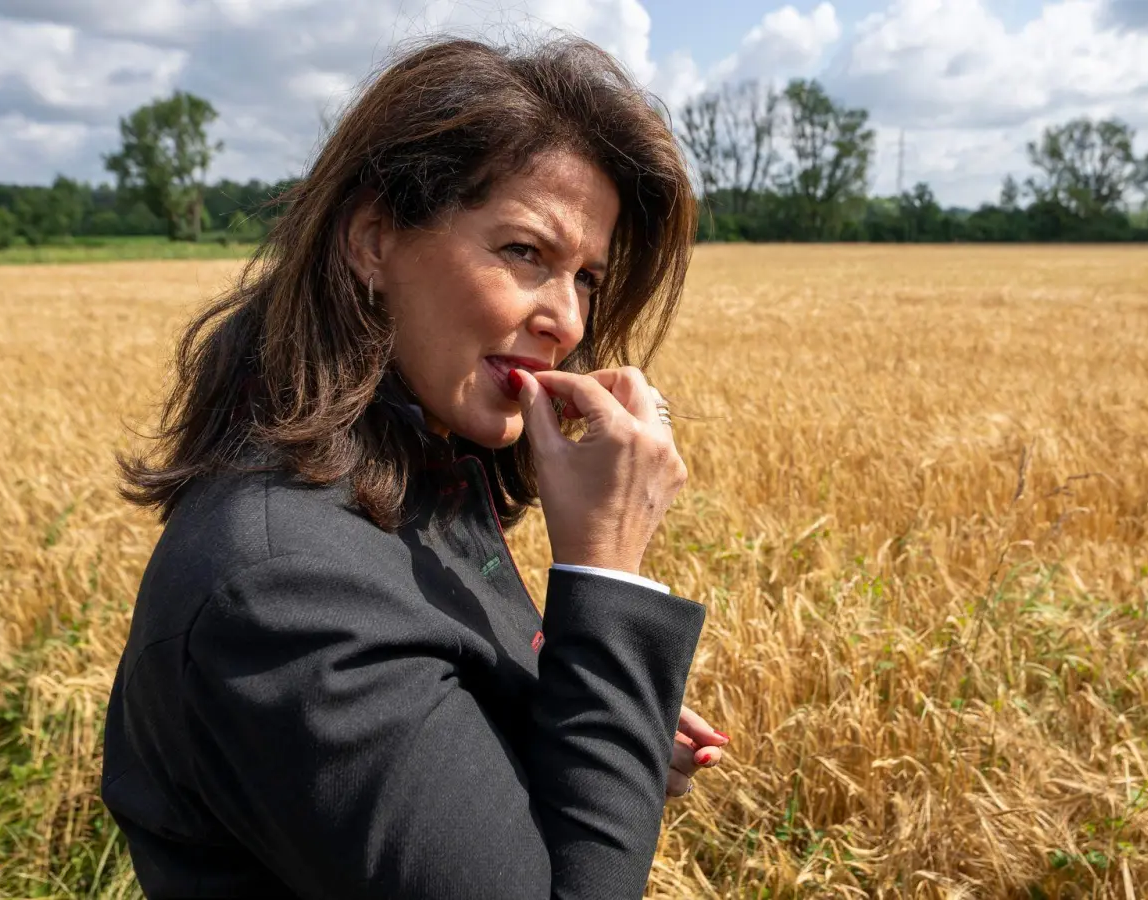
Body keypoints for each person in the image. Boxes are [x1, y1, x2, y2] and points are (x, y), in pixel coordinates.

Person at [100, 36, 727, 899]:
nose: (569, 322)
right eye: (524, 253)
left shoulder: (416, 477)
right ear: (371, 242)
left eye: (586, 277)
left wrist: (599, 718)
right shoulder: (287, 590)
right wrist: (607, 575)